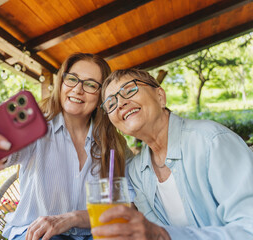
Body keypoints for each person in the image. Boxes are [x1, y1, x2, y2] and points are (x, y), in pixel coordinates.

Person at [0, 53, 131, 240]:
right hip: (34, 234)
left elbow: (127, 205)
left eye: (90, 84)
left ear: (101, 96)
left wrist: (74, 218)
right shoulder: (34, 129)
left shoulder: (113, 143)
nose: (78, 89)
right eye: (72, 79)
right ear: (61, 83)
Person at [92, 68, 253, 239]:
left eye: (130, 90)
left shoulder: (212, 142)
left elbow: (249, 228)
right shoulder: (137, 172)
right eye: (110, 103)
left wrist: (162, 235)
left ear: (160, 96)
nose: (120, 103)